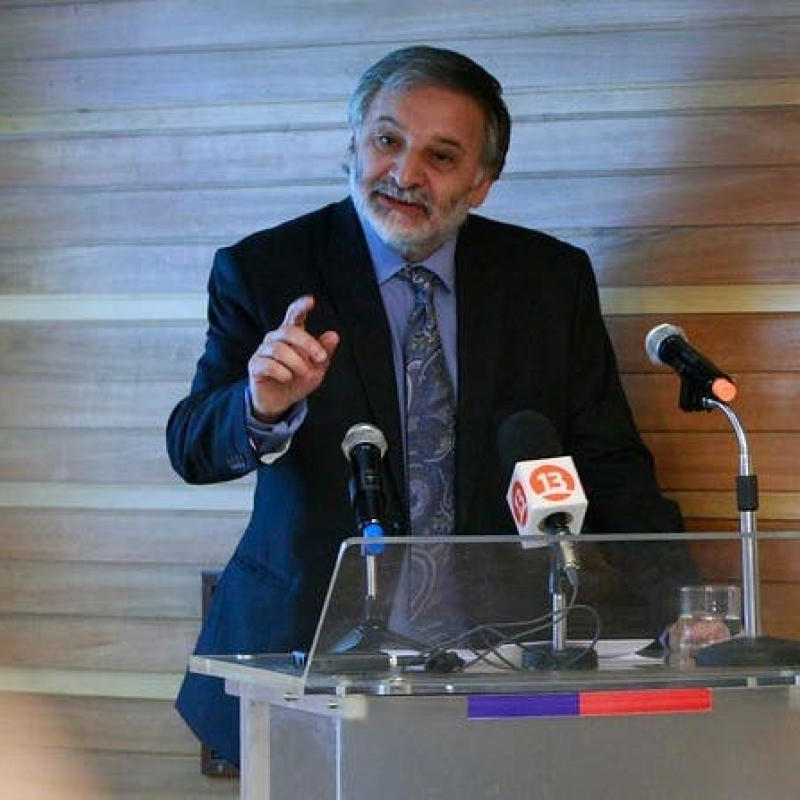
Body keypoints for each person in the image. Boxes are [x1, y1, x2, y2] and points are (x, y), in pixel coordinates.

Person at [168, 45, 695, 764]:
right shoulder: (267, 269)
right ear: (353, 144)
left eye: (441, 157)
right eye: (387, 140)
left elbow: (610, 465)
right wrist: (257, 408)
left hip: (498, 661)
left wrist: (686, 606)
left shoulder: (549, 281)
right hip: (310, 655)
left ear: (481, 184)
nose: (404, 173)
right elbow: (192, 445)